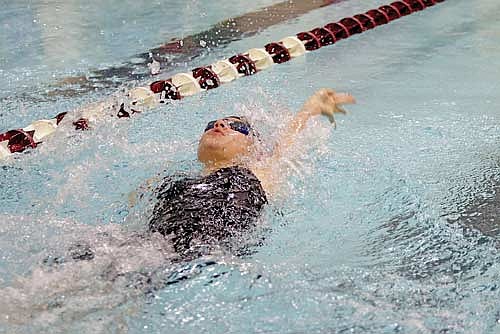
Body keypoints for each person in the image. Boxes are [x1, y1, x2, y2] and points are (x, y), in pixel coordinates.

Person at [147, 88, 355, 257]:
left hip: (202, 255)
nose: (219, 124)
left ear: (254, 149)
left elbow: (287, 149)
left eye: (236, 126)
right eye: (212, 124)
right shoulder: (174, 182)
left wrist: (308, 111)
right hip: (149, 249)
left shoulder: (254, 174)